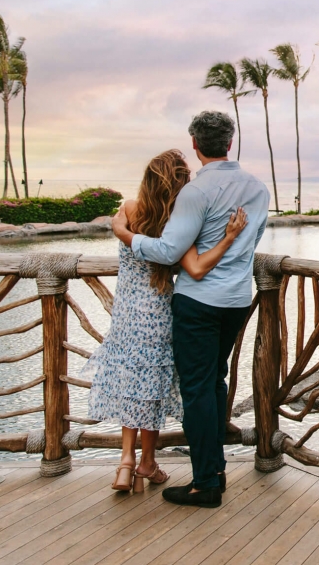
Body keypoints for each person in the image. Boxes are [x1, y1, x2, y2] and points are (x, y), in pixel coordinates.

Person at [112, 111, 270, 508]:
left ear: (196, 145)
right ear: (230, 143)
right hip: (236, 299)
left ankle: (204, 484)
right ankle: (215, 469)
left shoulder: (195, 193)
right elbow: (250, 243)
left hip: (199, 302)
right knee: (215, 381)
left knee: (197, 388)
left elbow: (168, 250)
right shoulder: (258, 189)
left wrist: (125, 235)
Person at [84, 149, 247, 493]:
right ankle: (147, 462)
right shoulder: (175, 224)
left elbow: (119, 227)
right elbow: (196, 266)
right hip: (159, 314)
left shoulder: (127, 210)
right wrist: (229, 237)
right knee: (153, 388)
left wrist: (120, 229)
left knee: (132, 384)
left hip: (126, 314)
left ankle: (126, 464)